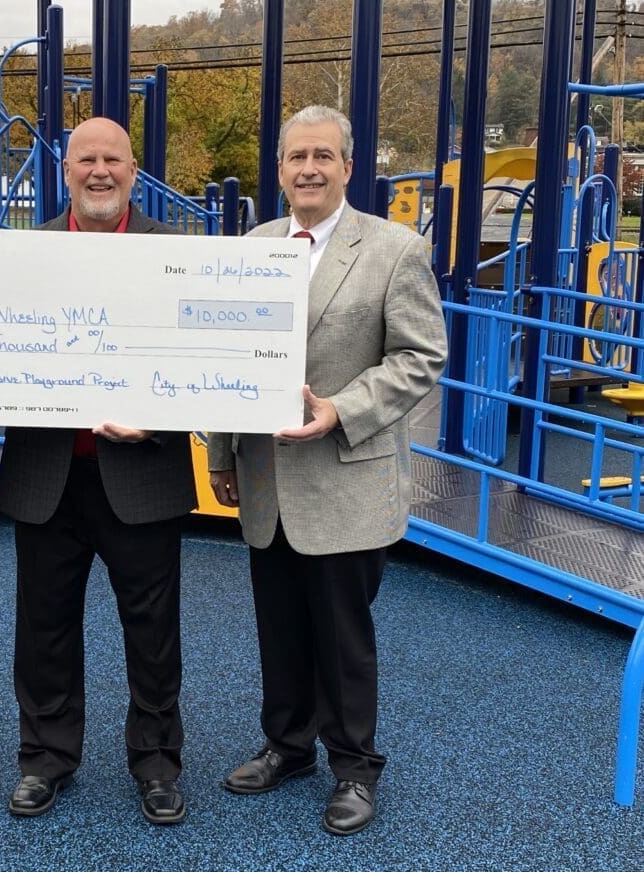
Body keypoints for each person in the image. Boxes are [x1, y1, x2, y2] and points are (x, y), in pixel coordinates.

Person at [207, 105, 447, 836]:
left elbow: (420, 358)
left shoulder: (394, 249)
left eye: (323, 155)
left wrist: (340, 408)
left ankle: (354, 767)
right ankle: (288, 745)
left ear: (347, 165)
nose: (308, 168)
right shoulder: (252, 245)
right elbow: (229, 359)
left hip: (345, 475)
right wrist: (220, 452)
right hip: (266, 480)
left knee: (343, 636)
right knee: (278, 625)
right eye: (295, 156)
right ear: (278, 169)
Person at [0, 116, 198, 825]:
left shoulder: (177, 254)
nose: (100, 172)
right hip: (46, 475)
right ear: (66, 170)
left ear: (134, 172)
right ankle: (45, 757)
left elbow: (204, 366)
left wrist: (161, 415)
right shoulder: (20, 256)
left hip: (143, 472)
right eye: (87, 160)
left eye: (113, 160)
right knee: (43, 628)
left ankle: (158, 763)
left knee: (154, 632)